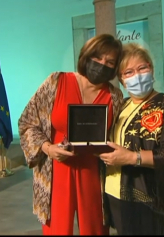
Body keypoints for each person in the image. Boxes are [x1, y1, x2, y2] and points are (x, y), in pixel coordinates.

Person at [18, 34, 124, 235]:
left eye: (110, 62)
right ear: (86, 56)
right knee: (56, 230)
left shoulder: (115, 96)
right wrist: (48, 148)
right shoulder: (56, 82)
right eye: (98, 58)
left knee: (95, 229)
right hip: (56, 169)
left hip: (94, 171)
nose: (102, 64)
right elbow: (27, 122)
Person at [99, 43, 164, 235]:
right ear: (121, 79)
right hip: (116, 193)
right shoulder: (120, 107)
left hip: (154, 198)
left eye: (141, 68)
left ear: (151, 68)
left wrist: (131, 158)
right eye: (128, 72)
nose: (136, 75)